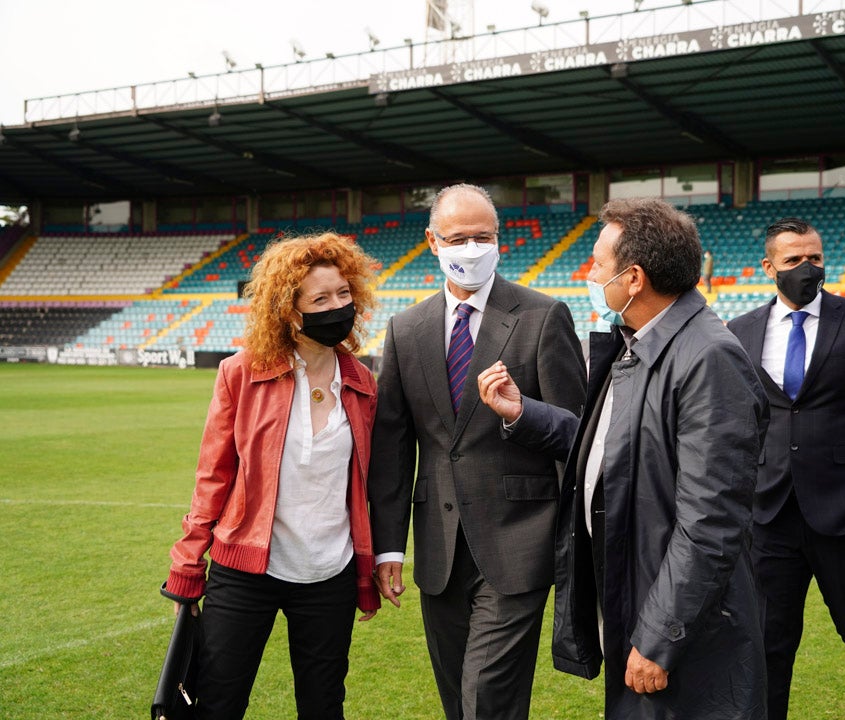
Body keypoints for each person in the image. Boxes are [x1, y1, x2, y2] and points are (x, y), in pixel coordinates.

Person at [478, 197, 769, 719]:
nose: (589, 274)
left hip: (682, 630)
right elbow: (618, 451)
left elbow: (711, 522)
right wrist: (525, 414)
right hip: (638, 597)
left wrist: (659, 634)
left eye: (598, 264)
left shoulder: (708, 357)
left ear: (633, 279)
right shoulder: (641, 343)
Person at [367, 183, 586, 720]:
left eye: (483, 236)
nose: (472, 248)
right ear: (432, 242)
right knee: (457, 701)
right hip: (438, 549)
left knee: (487, 697)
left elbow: (577, 435)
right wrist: (389, 548)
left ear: (499, 239)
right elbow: (393, 450)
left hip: (520, 541)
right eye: (458, 237)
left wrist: (520, 414)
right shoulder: (405, 329)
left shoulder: (543, 315)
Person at [162, 232, 382, 719]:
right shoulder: (239, 373)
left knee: (324, 707)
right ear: (288, 310)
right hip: (245, 570)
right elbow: (212, 478)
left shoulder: (364, 383)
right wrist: (187, 567)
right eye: (320, 299)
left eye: (344, 293)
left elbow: (368, 488)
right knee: (217, 704)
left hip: (329, 575)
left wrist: (368, 570)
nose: (338, 307)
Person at [726, 217, 845, 720]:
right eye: (793, 260)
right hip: (769, 517)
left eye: (815, 257)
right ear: (769, 267)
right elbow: (734, 422)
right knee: (768, 645)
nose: (807, 268)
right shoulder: (740, 331)